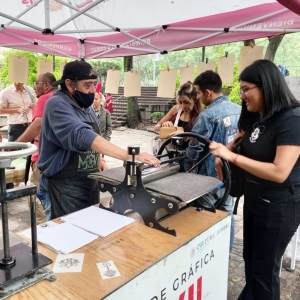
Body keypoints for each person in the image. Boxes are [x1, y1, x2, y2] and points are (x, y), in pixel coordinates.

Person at [209, 59, 300, 300]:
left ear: (266, 86)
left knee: (264, 273)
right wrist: (224, 154)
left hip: (278, 205)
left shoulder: (292, 120)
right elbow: (240, 147)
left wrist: (231, 158)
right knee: (251, 262)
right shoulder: (258, 117)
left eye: (247, 88)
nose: (242, 95)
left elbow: (280, 171)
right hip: (254, 199)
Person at [37, 60, 160, 220]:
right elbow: (81, 134)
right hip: (63, 188)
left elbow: (95, 133)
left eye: (94, 85)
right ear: (69, 84)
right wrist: (127, 155)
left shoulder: (85, 106)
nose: (92, 91)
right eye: (87, 85)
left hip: (89, 183)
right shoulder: (56, 104)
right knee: (67, 236)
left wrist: (99, 157)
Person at [185, 70, 241, 253]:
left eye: (199, 93)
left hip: (208, 180)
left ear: (208, 92)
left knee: (204, 219)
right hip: (231, 176)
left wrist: (186, 172)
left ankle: (206, 256)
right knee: (227, 216)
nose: (198, 98)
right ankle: (226, 253)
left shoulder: (207, 116)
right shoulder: (239, 110)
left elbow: (195, 149)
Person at [16, 72, 57, 223]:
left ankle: (43, 226)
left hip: (43, 159)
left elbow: (37, 126)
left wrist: (15, 145)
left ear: (46, 85)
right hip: (59, 159)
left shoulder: (45, 99)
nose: (34, 87)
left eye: (36, 83)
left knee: (35, 192)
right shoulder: (63, 98)